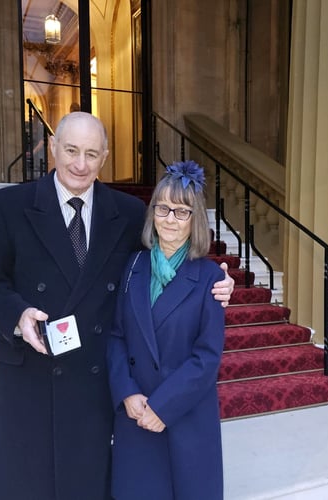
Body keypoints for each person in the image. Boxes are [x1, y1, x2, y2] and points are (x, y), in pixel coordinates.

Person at [0, 112, 233, 500]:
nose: (80, 164)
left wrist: (220, 282)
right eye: (71, 150)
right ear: (53, 147)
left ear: (105, 157)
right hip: (30, 373)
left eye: (91, 154)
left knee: (87, 483)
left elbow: (165, 266)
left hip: (93, 377)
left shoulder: (126, 213)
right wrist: (18, 315)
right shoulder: (8, 205)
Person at [107, 160, 225, 500]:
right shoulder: (133, 266)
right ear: (152, 212)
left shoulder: (211, 278)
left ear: (195, 219)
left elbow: (206, 358)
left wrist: (164, 407)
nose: (170, 219)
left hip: (184, 415)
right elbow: (117, 336)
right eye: (163, 208)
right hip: (137, 412)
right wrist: (126, 392)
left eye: (182, 211)